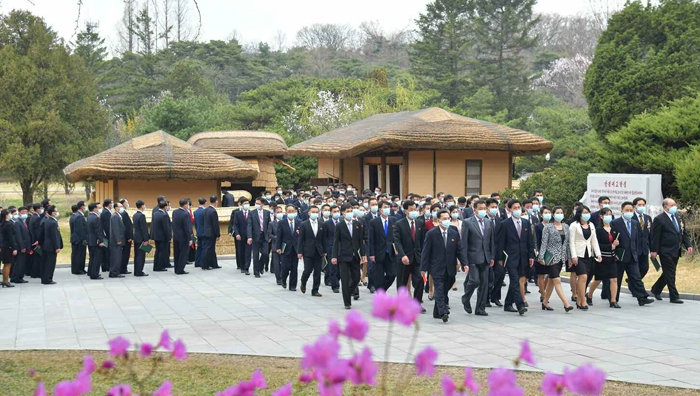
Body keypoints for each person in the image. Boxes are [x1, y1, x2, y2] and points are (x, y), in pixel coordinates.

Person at [421, 210, 468, 323]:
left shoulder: (454, 232)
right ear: (438, 220)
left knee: (445, 288)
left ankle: (437, 311)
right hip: (436, 267)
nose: (447, 220)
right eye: (444, 218)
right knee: (439, 288)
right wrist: (423, 268)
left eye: (448, 218)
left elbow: (459, 250)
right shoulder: (431, 233)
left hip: (450, 267)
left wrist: (465, 263)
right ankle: (443, 312)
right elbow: (426, 251)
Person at [650, 198, 692, 304]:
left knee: (668, 272)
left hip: (676, 250)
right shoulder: (659, 219)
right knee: (671, 273)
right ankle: (674, 296)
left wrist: (688, 245)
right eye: (672, 205)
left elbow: (683, 232)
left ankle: (656, 289)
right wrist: (654, 250)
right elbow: (655, 236)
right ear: (665, 207)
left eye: (675, 204)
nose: (674, 207)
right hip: (665, 250)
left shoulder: (678, 217)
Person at [496, 199, 533, 316]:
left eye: (519, 207)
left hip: (523, 256)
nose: (517, 210)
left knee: (517, 280)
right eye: (515, 208)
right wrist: (500, 258)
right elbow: (500, 243)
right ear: (510, 209)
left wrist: (531, 255)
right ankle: (520, 305)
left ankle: (507, 303)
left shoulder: (526, 223)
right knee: (515, 281)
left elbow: (529, 241)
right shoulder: (505, 224)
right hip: (510, 257)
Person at [461, 201, 495, 316]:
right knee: (474, 281)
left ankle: (480, 308)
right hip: (472, 257)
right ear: (474, 210)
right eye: (480, 208)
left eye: (485, 208)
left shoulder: (488, 222)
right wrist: (464, 261)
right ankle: (466, 298)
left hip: (485, 257)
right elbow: (464, 243)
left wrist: (492, 257)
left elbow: (491, 241)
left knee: (484, 284)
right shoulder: (467, 222)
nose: (483, 211)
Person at [537, 206, 574, 312]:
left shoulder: (566, 227)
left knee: (551, 281)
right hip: (551, 257)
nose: (559, 214)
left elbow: (567, 244)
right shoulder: (548, 227)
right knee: (557, 280)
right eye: (557, 212)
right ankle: (566, 304)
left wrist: (570, 258)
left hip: (561, 258)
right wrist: (541, 257)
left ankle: (545, 302)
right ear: (553, 214)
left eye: (561, 212)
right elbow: (544, 243)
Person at [331, 203, 366, 310]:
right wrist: (334, 256)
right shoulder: (339, 225)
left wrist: (363, 254)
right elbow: (336, 241)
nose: (350, 213)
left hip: (355, 255)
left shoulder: (358, 224)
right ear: (343, 213)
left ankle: (348, 292)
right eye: (347, 211)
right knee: (345, 279)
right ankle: (347, 302)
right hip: (343, 256)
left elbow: (361, 241)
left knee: (356, 278)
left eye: (351, 210)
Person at [568, 206, 601, 310]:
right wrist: (573, 256)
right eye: (585, 212)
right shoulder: (574, 225)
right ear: (579, 214)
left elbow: (594, 240)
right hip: (578, 255)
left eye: (588, 212)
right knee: (583, 277)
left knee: (587, 278)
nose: (587, 214)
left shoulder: (591, 225)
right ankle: (582, 300)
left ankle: (579, 300)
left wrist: (598, 254)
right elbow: (571, 242)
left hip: (589, 255)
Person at [587, 208, 620, 308]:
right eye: (606, 215)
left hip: (612, 258)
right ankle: (589, 295)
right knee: (598, 279)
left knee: (614, 279)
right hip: (601, 258)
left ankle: (613, 301)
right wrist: (609, 246)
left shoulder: (614, 230)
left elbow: (616, 242)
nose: (609, 217)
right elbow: (596, 244)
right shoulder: (598, 230)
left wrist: (617, 244)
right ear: (601, 217)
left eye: (610, 214)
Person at [368, 201, 397, 292]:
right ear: (380, 209)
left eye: (388, 207)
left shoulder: (393, 220)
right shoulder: (374, 222)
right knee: (379, 277)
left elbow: (396, 237)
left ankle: (381, 290)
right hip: (378, 252)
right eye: (385, 207)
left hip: (390, 252)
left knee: (391, 275)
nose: (387, 208)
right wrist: (371, 254)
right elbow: (371, 239)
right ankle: (380, 294)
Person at [298, 205, 324, 297]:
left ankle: (315, 290)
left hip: (318, 251)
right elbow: (301, 239)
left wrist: (324, 251)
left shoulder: (321, 224)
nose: (315, 214)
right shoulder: (304, 224)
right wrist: (300, 252)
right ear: (309, 213)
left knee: (317, 271)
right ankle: (303, 281)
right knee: (308, 269)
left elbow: (323, 239)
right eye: (313, 212)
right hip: (308, 250)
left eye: (317, 212)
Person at [277, 205, 300, 291]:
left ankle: (293, 285)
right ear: (286, 213)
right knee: (285, 267)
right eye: (289, 211)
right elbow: (279, 236)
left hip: (295, 248)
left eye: (293, 211)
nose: (291, 213)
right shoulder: (282, 223)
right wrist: (278, 247)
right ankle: (283, 279)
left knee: (294, 267)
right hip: (285, 248)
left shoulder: (299, 222)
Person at [486, 198, 505, 307]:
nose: (494, 209)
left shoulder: (500, 220)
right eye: (492, 207)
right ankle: (486, 298)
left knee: (500, 274)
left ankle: (495, 296)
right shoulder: (483, 220)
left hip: (498, 253)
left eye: (495, 207)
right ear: (487, 207)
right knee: (487, 277)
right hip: (486, 253)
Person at [246, 198, 270, 278]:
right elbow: (249, 225)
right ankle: (256, 272)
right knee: (255, 255)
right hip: (255, 236)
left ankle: (260, 266)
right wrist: (249, 236)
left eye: (258, 203)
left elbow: (269, 225)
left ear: (262, 204)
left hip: (264, 236)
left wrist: (269, 235)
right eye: (256, 203)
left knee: (265, 253)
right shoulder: (251, 213)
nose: (256, 204)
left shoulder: (267, 213)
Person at [534, 206, 552, 303]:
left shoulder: (553, 225)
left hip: (551, 253)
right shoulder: (538, 226)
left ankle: (543, 290)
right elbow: (537, 241)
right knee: (541, 275)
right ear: (541, 214)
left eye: (549, 212)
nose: (548, 214)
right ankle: (543, 294)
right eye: (546, 212)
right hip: (541, 252)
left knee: (550, 274)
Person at [633, 197, 653, 281]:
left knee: (645, 268)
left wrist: (652, 249)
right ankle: (635, 287)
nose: (641, 206)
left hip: (644, 248)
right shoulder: (631, 218)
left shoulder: (648, 218)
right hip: (634, 248)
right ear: (635, 206)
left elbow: (650, 234)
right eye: (639, 205)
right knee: (635, 270)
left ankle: (632, 281)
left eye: (643, 205)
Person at [41, 205, 62, 285]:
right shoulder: (53, 222)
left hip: (46, 245)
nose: (56, 212)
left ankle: (45, 278)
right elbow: (54, 236)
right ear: (52, 213)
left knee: (46, 263)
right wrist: (57, 246)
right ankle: (48, 279)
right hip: (51, 246)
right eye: (55, 211)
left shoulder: (47, 220)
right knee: (50, 263)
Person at [171, 198, 193, 276]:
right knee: (183, 253)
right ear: (185, 205)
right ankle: (180, 269)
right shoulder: (185, 214)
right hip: (183, 237)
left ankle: (176, 268)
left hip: (176, 235)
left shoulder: (174, 212)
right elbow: (186, 228)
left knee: (176, 253)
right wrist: (190, 238)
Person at [230, 197, 252, 273]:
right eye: (245, 203)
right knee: (241, 251)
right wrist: (237, 234)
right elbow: (235, 225)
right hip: (240, 235)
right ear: (241, 205)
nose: (247, 205)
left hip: (249, 236)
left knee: (248, 252)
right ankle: (242, 266)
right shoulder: (237, 214)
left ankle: (247, 267)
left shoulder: (251, 213)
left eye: (248, 203)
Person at [10, 207, 30, 284]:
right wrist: (22, 247)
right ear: (19, 213)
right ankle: (18, 277)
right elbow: (18, 236)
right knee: (20, 263)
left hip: (25, 245)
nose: (25, 214)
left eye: (26, 212)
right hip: (21, 247)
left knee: (19, 263)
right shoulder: (18, 222)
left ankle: (15, 277)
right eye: (23, 212)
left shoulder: (23, 222)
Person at [202, 195, 221, 270]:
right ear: (216, 201)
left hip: (206, 231)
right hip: (211, 233)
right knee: (209, 249)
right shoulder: (213, 211)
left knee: (211, 249)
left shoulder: (206, 210)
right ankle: (205, 265)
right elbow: (215, 224)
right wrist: (218, 234)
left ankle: (214, 264)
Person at [86, 203, 105, 280]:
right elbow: (98, 231)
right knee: (97, 258)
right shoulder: (96, 218)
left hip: (90, 240)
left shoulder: (89, 217)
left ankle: (91, 271)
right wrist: (101, 241)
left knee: (92, 257)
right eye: (97, 208)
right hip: (96, 241)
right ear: (94, 209)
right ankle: (94, 274)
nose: (98, 209)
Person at [152, 200, 172, 272]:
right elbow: (166, 228)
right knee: (162, 252)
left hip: (157, 236)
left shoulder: (156, 213)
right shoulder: (164, 215)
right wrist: (169, 237)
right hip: (163, 237)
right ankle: (160, 266)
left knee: (157, 251)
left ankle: (156, 266)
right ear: (165, 207)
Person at [109, 202, 126, 279]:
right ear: (116, 208)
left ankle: (115, 271)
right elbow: (116, 229)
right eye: (120, 206)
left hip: (118, 240)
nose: (122, 207)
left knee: (118, 257)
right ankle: (114, 272)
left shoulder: (118, 215)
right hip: (116, 241)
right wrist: (118, 239)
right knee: (116, 257)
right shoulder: (115, 216)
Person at [70, 202, 88, 275]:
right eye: (84, 206)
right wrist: (84, 239)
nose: (85, 207)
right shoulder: (79, 216)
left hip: (76, 238)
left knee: (77, 254)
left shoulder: (76, 215)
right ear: (81, 207)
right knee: (79, 255)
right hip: (79, 240)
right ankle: (78, 269)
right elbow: (80, 229)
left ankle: (79, 269)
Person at [132, 200, 149, 277]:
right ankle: (139, 271)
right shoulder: (141, 216)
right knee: (141, 256)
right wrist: (146, 239)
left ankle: (137, 270)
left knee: (137, 255)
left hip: (136, 237)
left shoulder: (135, 215)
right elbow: (144, 229)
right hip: (141, 238)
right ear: (142, 205)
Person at [0, 209, 17, 288]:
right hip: (8, 246)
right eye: (9, 214)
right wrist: (14, 248)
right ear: (6, 215)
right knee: (8, 264)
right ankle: (6, 281)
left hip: (4, 246)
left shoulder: (2, 224)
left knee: (6, 264)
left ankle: (4, 280)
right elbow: (11, 238)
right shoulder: (8, 225)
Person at [27, 203, 43, 279]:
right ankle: (36, 273)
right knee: (38, 258)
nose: (42, 209)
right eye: (41, 208)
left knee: (35, 258)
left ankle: (34, 273)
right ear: (37, 209)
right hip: (36, 240)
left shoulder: (33, 217)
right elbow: (37, 231)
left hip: (32, 239)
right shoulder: (37, 218)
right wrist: (38, 240)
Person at [270, 206, 284, 284]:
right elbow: (269, 234)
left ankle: (283, 276)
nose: (280, 214)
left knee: (284, 263)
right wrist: (277, 238)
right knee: (277, 263)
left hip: (284, 246)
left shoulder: (285, 222)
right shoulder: (271, 223)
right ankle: (278, 278)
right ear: (275, 214)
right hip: (276, 245)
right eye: (278, 212)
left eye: (281, 212)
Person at [119, 199, 133, 275]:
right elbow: (127, 227)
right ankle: (123, 268)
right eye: (127, 202)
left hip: (124, 238)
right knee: (125, 254)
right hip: (126, 238)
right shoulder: (123, 214)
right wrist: (129, 237)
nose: (128, 204)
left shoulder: (121, 213)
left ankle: (123, 268)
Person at [100, 198, 113, 272]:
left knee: (106, 251)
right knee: (106, 251)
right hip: (106, 235)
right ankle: (106, 266)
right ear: (108, 204)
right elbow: (108, 226)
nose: (112, 205)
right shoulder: (106, 213)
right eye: (111, 203)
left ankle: (105, 265)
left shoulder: (106, 212)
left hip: (105, 234)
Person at [193, 198, 207, 268]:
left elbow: (195, 223)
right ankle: (203, 262)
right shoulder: (205, 211)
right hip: (204, 232)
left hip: (198, 231)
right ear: (205, 203)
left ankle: (197, 262)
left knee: (199, 247)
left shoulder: (195, 212)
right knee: (204, 247)